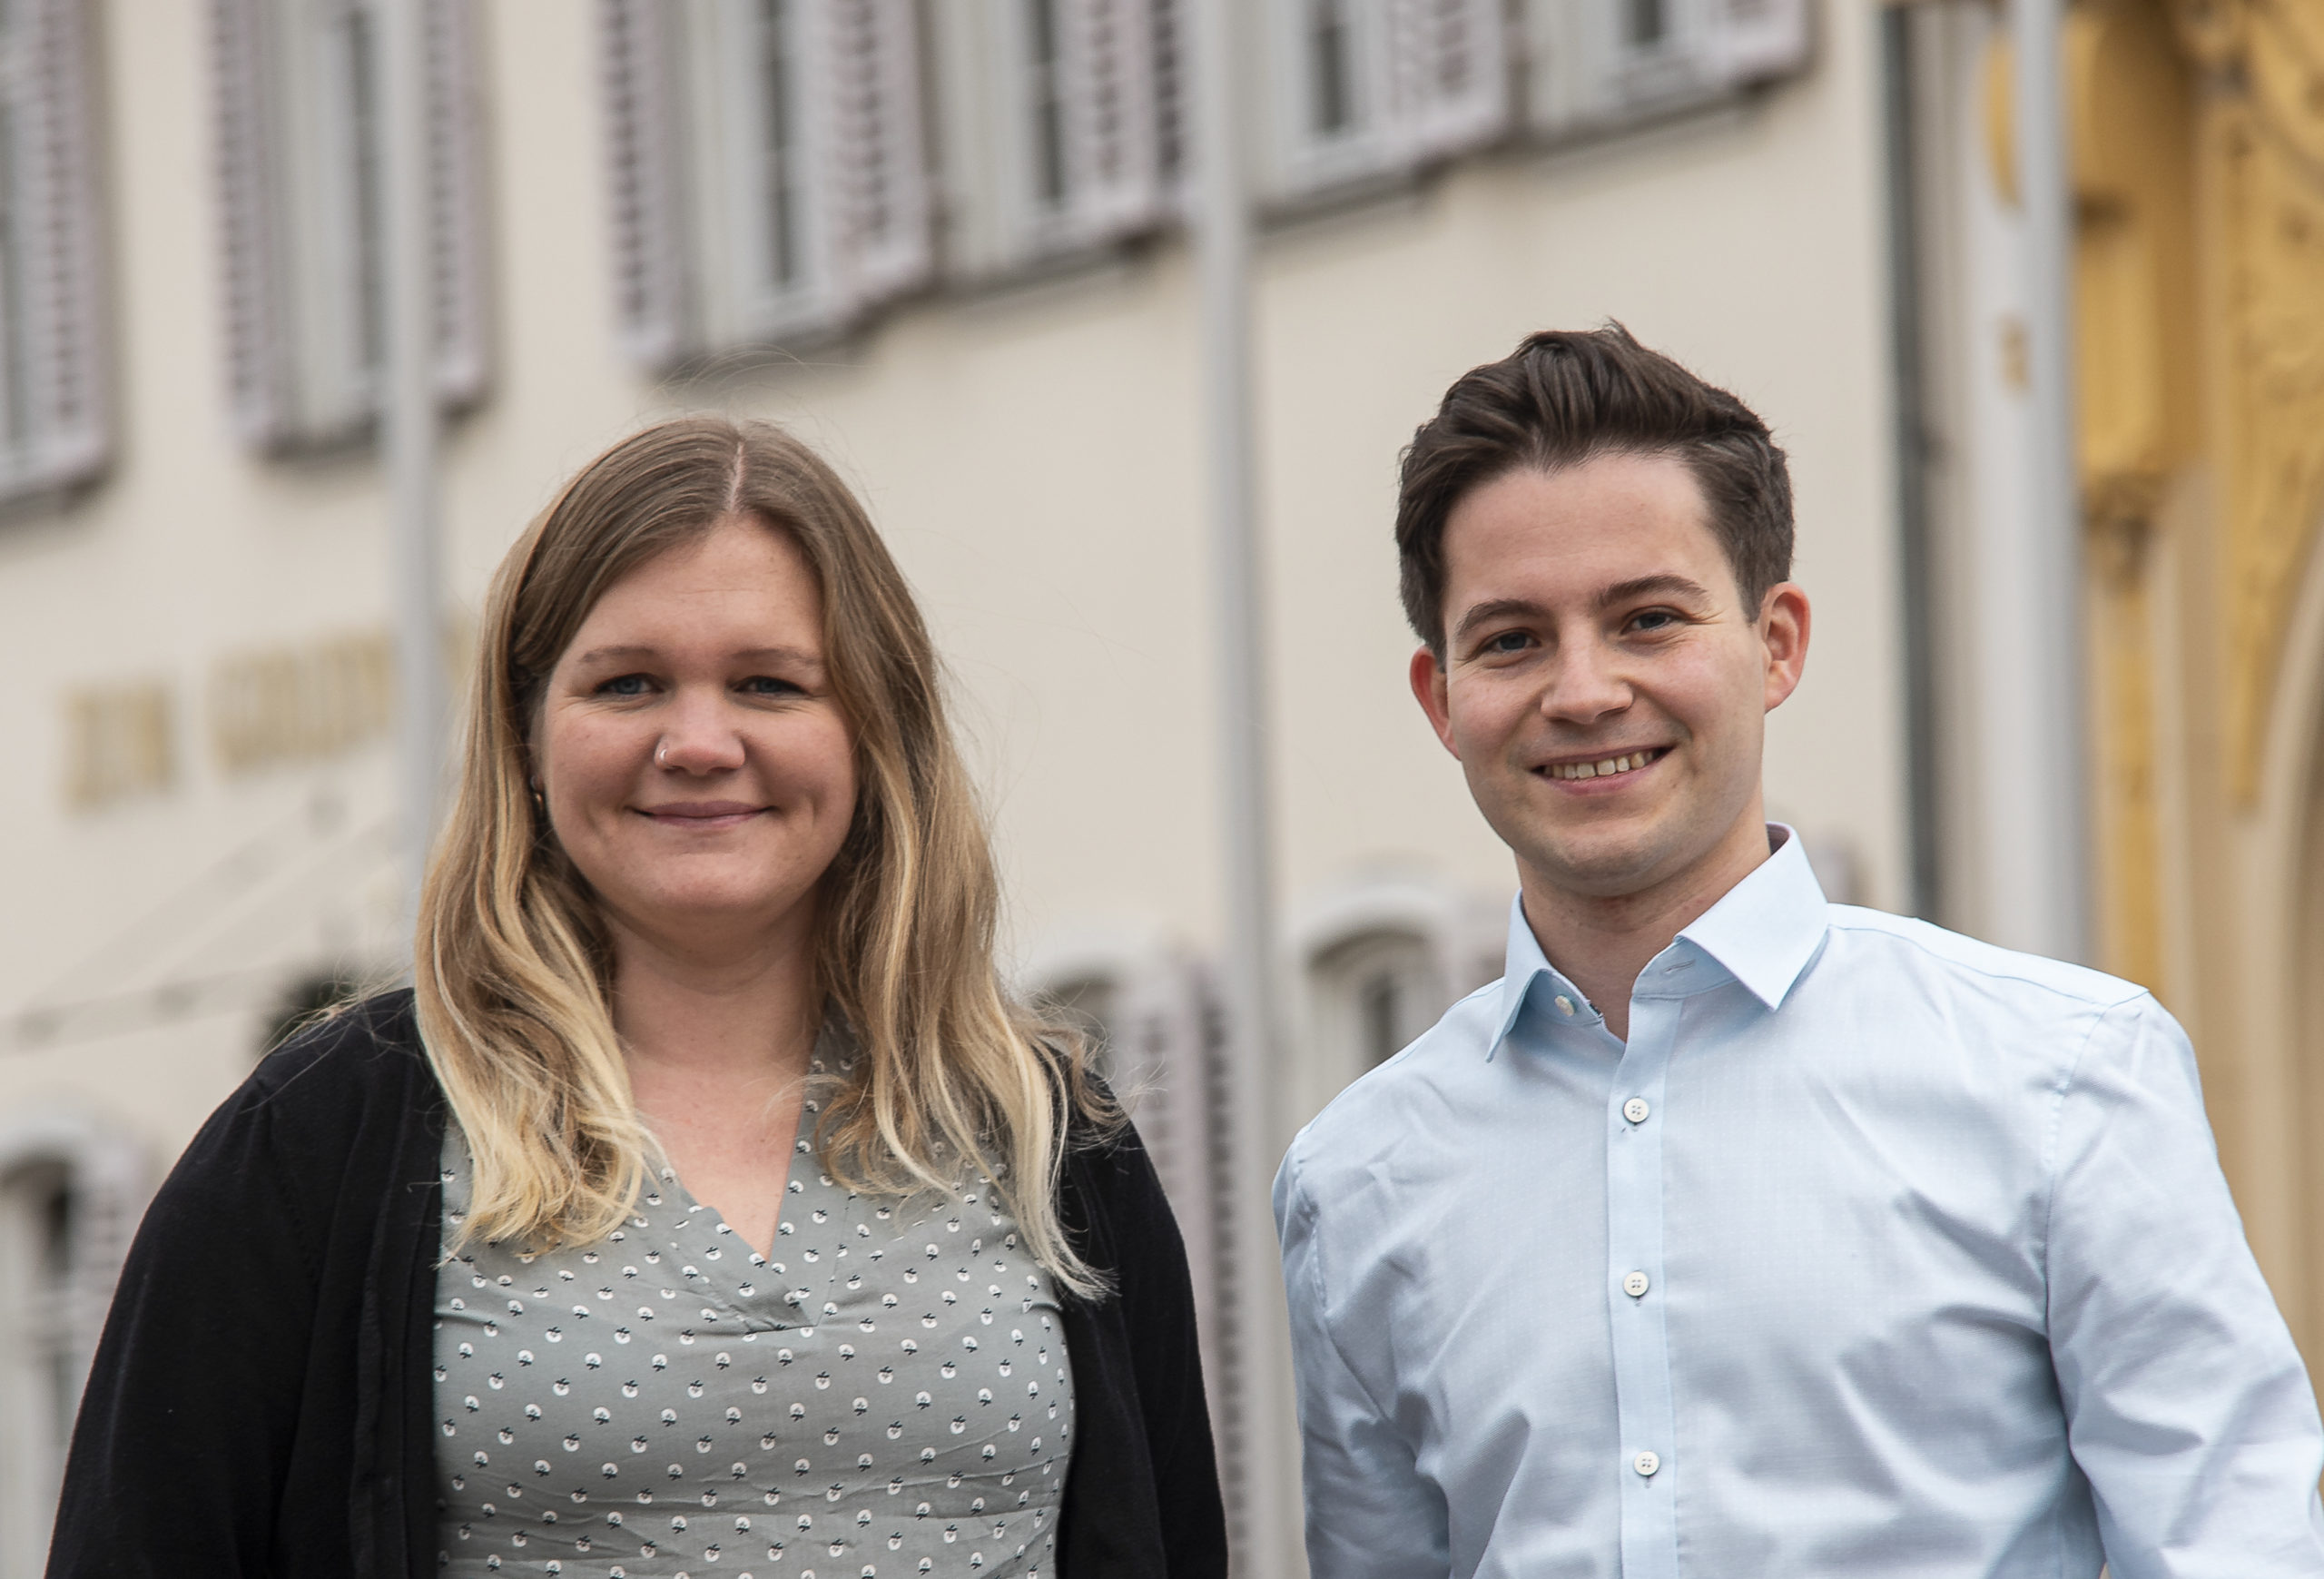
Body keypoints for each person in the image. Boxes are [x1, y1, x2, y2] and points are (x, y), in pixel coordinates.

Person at [49, 417, 1226, 1579]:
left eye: (768, 683)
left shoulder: (1044, 1136)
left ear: (873, 730)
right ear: (528, 732)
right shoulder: (318, 1148)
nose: (699, 741)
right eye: (628, 684)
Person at [1274, 325, 2324, 1577]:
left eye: (1648, 619)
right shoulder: (1357, 1186)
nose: (1584, 689)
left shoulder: (2064, 1081)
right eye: (1511, 640)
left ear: (1776, 646)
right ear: (1442, 699)